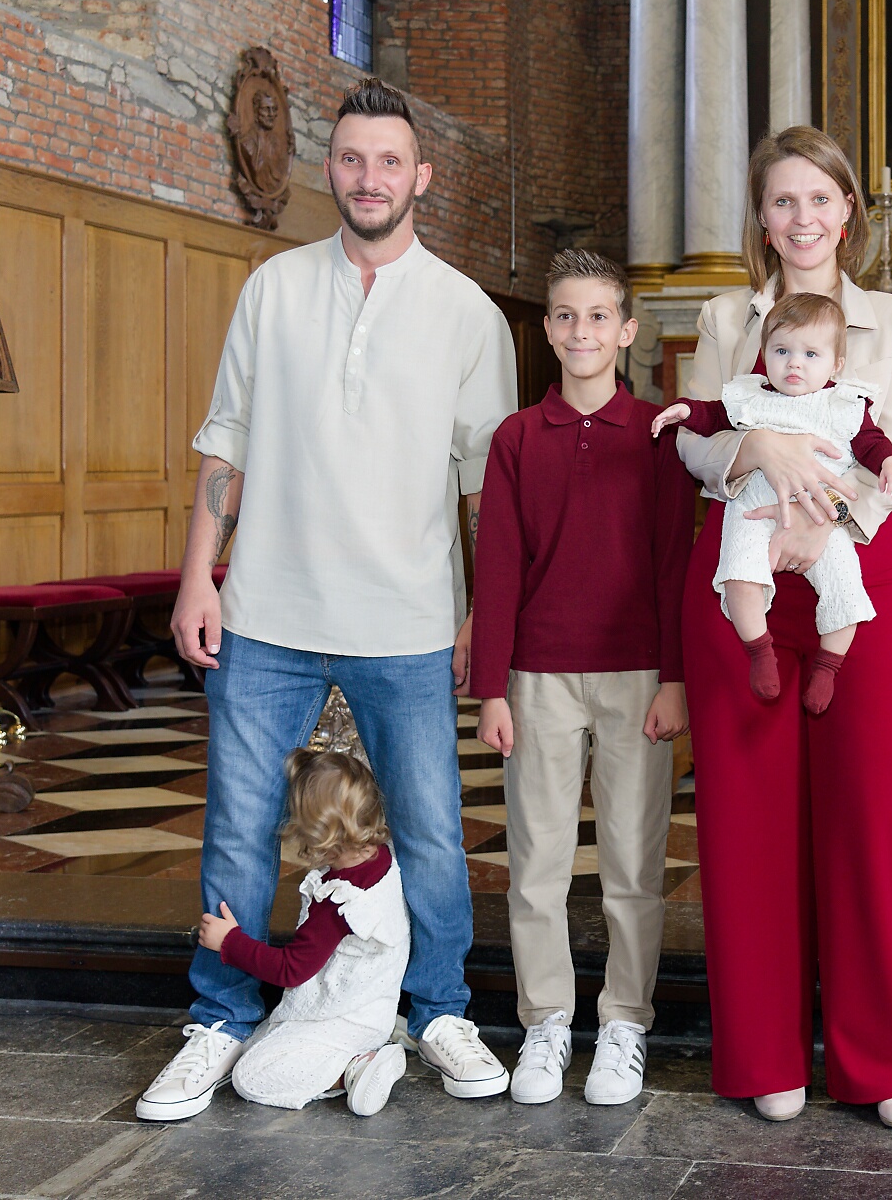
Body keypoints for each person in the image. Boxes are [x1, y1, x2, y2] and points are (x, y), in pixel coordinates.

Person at [140, 79, 519, 1122]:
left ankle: (437, 1009)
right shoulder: (273, 288)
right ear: (331, 168)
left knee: (432, 831)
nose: (369, 177)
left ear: (420, 176)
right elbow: (227, 440)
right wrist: (198, 575)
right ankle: (218, 1019)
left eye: (389, 161)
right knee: (237, 824)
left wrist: (481, 612)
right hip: (268, 610)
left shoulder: (468, 313)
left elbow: (484, 488)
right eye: (352, 158)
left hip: (406, 617)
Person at [676, 125, 892, 1129]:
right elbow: (695, 444)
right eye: (782, 201)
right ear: (761, 215)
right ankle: (765, 1052)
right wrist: (757, 452)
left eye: (819, 199)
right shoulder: (721, 315)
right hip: (740, 582)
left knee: (871, 813)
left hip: (850, 574)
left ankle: (887, 1057)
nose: (801, 218)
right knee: (748, 820)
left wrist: (822, 522)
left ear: (847, 212)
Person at [469, 249, 694, 1107]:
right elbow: (496, 568)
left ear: (627, 330)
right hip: (538, 675)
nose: (582, 330)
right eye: (566, 315)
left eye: (599, 315)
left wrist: (675, 676)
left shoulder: (660, 435)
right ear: (547, 328)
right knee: (538, 862)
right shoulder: (517, 438)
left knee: (634, 862)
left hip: (638, 674)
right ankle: (547, 1020)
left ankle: (625, 1021)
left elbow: (674, 563)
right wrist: (493, 686)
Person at [653, 289, 892, 713]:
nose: (794, 363)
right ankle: (760, 652)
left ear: (836, 364)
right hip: (753, 507)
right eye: (782, 351)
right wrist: (684, 410)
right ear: (765, 354)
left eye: (811, 354)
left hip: (820, 511)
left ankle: (828, 667)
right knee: (739, 574)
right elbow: (713, 415)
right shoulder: (752, 396)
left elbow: (872, 442)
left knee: (845, 585)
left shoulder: (844, 403)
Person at [197, 748, 410, 1117]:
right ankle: (373, 1046)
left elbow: (291, 969)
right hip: (374, 1007)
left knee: (249, 1076)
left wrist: (229, 942)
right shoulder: (384, 858)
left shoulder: (338, 902)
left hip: (343, 1019)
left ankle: (353, 1070)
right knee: (258, 1044)